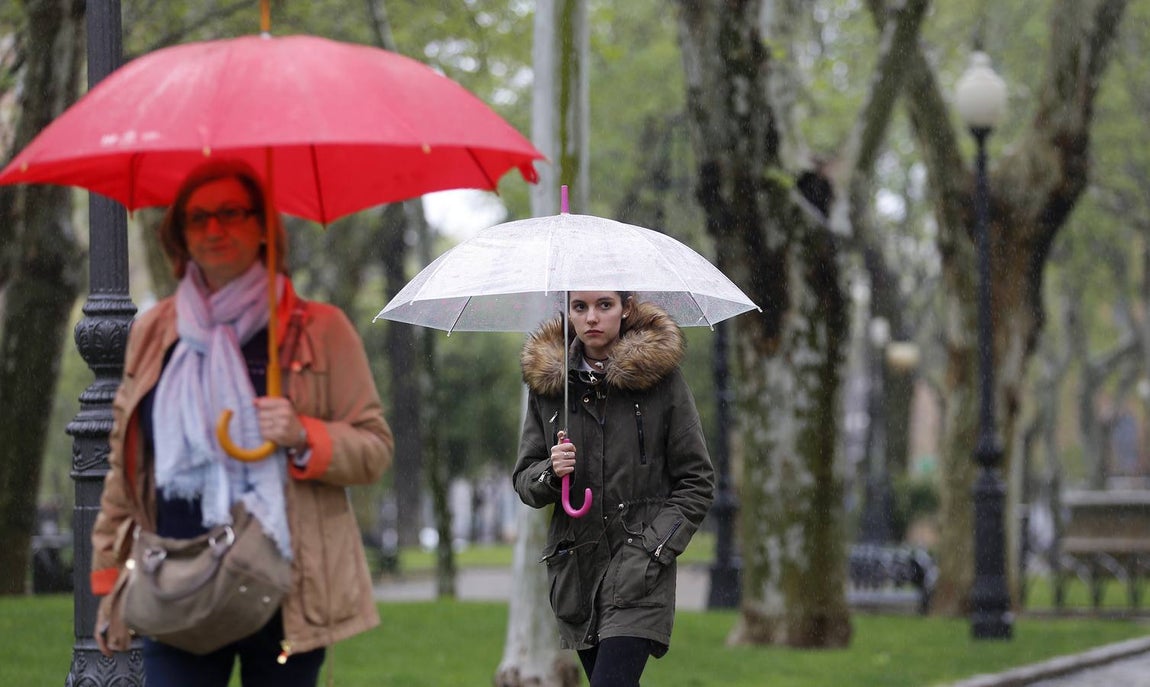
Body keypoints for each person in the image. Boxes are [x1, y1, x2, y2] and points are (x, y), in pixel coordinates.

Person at [89, 158, 393, 687]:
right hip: (175, 578)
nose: (214, 229)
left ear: (262, 227)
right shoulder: (156, 329)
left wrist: (305, 435)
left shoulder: (320, 329)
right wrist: (110, 582)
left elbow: (374, 449)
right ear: (179, 235)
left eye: (232, 212)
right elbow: (125, 464)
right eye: (198, 217)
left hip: (284, 586)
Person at [512, 291, 715, 687]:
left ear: (626, 308)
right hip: (577, 575)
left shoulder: (661, 381)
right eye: (580, 307)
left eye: (604, 305)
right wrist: (551, 472)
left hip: (639, 571)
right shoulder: (551, 388)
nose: (591, 318)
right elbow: (525, 480)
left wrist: (655, 548)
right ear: (568, 312)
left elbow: (697, 481)